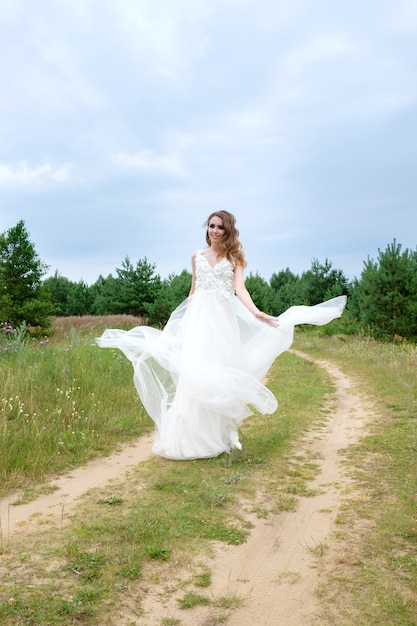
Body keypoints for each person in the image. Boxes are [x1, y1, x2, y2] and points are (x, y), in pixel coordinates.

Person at [96, 211, 346, 460]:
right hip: (199, 321)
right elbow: (193, 290)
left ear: (228, 231)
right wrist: (180, 321)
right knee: (195, 374)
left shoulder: (235, 258)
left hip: (223, 321)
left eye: (220, 228)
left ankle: (225, 432)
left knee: (221, 372)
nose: (214, 231)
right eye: (211, 226)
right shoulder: (196, 256)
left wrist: (257, 312)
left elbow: (240, 289)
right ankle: (189, 438)